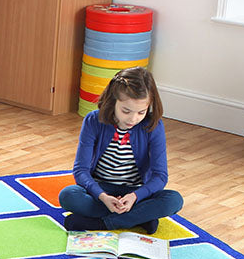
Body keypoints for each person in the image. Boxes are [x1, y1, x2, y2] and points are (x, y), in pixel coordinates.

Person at [59, 67, 183, 234]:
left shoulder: (153, 125)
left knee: (173, 200)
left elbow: (160, 176)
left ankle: (103, 223)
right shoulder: (93, 120)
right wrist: (102, 196)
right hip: (101, 190)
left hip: (135, 193)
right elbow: (81, 170)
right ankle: (139, 218)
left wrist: (135, 196)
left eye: (141, 112)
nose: (133, 119)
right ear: (113, 101)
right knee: (68, 195)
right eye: (126, 111)